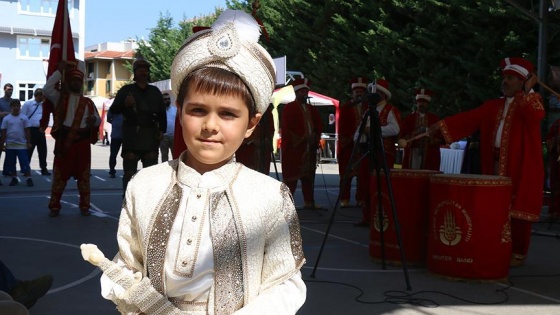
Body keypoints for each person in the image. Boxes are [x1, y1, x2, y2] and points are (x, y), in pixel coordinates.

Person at [98, 10, 306, 314]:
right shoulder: (144, 184)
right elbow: (126, 265)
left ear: (252, 123)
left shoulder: (269, 196)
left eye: (228, 114)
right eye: (197, 111)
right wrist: (138, 299)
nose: (210, 125)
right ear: (180, 112)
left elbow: (286, 284)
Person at [427, 57, 544, 267]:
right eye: (504, 77)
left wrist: (528, 89)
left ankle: (517, 252)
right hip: (494, 163)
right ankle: (494, 245)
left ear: (521, 81)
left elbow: (536, 115)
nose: (505, 81)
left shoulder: (531, 102)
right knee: (494, 206)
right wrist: (442, 127)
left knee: (517, 209)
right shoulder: (494, 106)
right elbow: (469, 119)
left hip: (520, 165)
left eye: (510, 78)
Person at [43, 61, 101, 217]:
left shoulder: (88, 102)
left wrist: (93, 120)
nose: (76, 83)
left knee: (83, 176)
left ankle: (85, 206)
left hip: (82, 142)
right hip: (65, 141)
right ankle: (54, 206)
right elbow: (47, 89)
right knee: (60, 176)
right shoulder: (59, 98)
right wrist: (58, 71)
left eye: (78, 81)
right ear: (68, 82)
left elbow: (97, 118)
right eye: (73, 80)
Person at [109, 58, 166, 195]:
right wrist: (125, 104)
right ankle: (127, 201)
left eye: (145, 70)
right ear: (135, 72)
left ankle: (147, 202)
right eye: (140, 70)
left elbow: (161, 113)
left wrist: (161, 130)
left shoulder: (155, 91)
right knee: (129, 174)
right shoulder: (126, 90)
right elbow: (114, 110)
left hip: (150, 136)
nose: (143, 72)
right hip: (131, 136)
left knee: (150, 174)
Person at [354, 79, 401, 227]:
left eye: (377, 93)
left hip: (383, 153)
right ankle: (367, 217)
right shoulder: (368, 111)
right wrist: (358, 138)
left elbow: (395, 129)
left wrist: (374, 131)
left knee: (381, 185)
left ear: (383, 94)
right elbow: (360, 130)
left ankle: (382, 217)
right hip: (367, 151)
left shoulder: (390, 110)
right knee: (366, 184)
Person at [281, 78, 323, 209]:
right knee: (292, 177)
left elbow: (318, 125)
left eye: (306, 91)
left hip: (309, 147)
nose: (304, 94)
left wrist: (315, 137)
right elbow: (287, 127)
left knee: (308, 177)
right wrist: (301, 138)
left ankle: (309, 202)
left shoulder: (312, 109)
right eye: (301, 92)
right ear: (296, 93)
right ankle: (287, 204)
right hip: (295, 148)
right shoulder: (289, 107)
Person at [337, 77, 368, 208]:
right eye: (357, 92)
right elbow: (342, 126)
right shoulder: (346, 108)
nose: (359, 94)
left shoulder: (368, 107)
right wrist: (350, 138)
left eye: (361, 92)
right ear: (352, 93)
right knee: (346, 173)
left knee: (362, 174)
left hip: (364, 146)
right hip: (349, 146)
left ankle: (361, 198)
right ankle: (344, 199)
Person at [399, 88, 441, 170]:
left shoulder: (434, 119)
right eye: (419, 102)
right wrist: (415, 134)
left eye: (424, 102)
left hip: (429, 151)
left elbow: (439, 137)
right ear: (417, 103)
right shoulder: (409, 119)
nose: (421, 104)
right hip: (413, 151)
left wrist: (430, 135)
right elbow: (403, 136)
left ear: (428, 104)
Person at [0, 99, 33, 187]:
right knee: (12, 162)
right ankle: (14, 178)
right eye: (14, 106)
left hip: (22, 144)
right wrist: (2, 144)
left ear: (20, 107)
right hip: (10, 144)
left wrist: (29, 142)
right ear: (11, 107)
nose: (16, 108)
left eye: (18, 106)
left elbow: (27, 131)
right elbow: (4, 132)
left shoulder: (24, 118)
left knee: (24, 162)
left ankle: (28, 178)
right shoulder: (6, 119)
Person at [235, 103, 275, 174]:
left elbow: (271, 130)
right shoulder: (245, 107)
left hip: (262, 149)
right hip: (246, 149)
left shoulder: (267, 113)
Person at [21, 88, 51, 175]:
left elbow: (46, 116)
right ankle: (26, 169)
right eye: (42, 95)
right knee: (29, 150)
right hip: (31, 130)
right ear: (37, 95)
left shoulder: (44, 105)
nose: (43, 97)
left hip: (41, 130)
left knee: (43, 150)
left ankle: (44, 169)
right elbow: (23, 117)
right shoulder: (28, 104)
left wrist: (44, 127)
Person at [545, 117, 560, 219]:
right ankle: (555, 210)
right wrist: (555, 140)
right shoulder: (557, 124)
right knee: (556, 184)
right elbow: (548, 141)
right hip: (557, 159)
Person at [0, 83, 15, 176]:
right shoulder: (0, 101)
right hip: (1, 129)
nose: (10, 91)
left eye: (11, 89)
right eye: (9, 89)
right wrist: (4, 113)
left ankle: (7, 170)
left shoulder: (14, 102)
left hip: (11, 130)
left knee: (10, 152)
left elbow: (17, 112)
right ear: (4, 90)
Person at [159, 92, 176, 162]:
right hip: (163, 137)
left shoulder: (175, 110)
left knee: (175, 155)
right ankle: (165, 171)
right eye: (165, 99)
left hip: (173, 136)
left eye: (168, 99)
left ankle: (175, 170)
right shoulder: (159, 111)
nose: (167, 100)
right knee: (164, 155)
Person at [107, 110, 123, 178]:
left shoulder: (114, 107)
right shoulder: (130, 105)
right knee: (114, 154)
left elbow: (108, 119)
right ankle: (112, 170)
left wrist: (115, 123)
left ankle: (112, 170)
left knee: (113, 154)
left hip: (116, 134)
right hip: (124, 134)